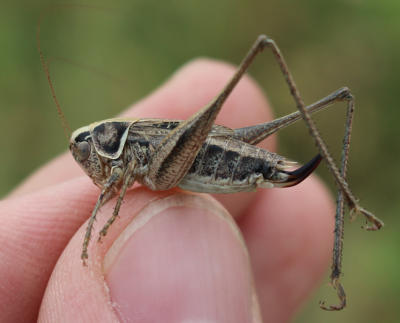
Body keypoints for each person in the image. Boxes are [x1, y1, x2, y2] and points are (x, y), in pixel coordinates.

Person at [0, 59, 334, 322]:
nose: (86, 163)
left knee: (257, 68)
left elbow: (129, 174)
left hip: (210, 161)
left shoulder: (128, 149)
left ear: (102, 142)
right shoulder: (123, 156)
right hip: (184, 162)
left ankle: (345, 226)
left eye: (85, 154)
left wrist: (106, 219)